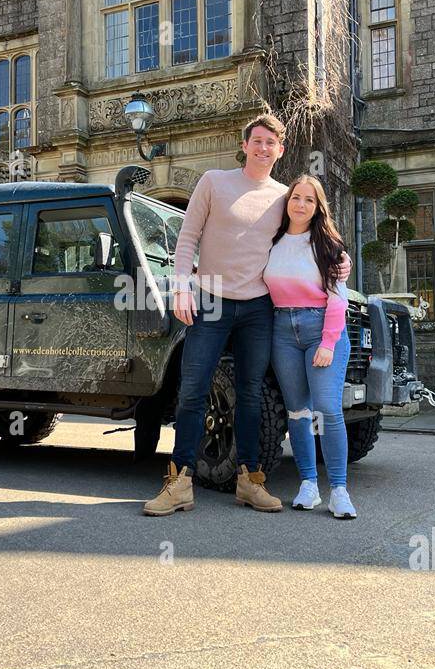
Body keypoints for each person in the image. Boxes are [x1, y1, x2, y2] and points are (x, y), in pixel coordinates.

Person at [142, 115, 351, 516]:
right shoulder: (213, 182)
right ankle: (180, 481)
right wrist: (182, 287)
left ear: (280, 150)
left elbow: (312, 233)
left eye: (270, 142)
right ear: (245, 145)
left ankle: (249, 480)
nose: (262, 148)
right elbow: (187, 238)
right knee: (192, 389)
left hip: (258, 307)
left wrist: (342, 260)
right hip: (210, 299)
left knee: (251, 393)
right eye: (256, 141)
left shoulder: (282, 196)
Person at [263, 175, 357, 519]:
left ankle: (340, 491)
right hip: (282, 331)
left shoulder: (328, 246)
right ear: (287, 202)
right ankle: (308, 484)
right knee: (297, 411)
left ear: (318, 208)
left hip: (321, 329)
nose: (301, 205)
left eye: (309, 200)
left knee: (328, 409)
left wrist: (329, 343)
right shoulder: (271, 241)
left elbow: (338, 299)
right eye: (296, 198)